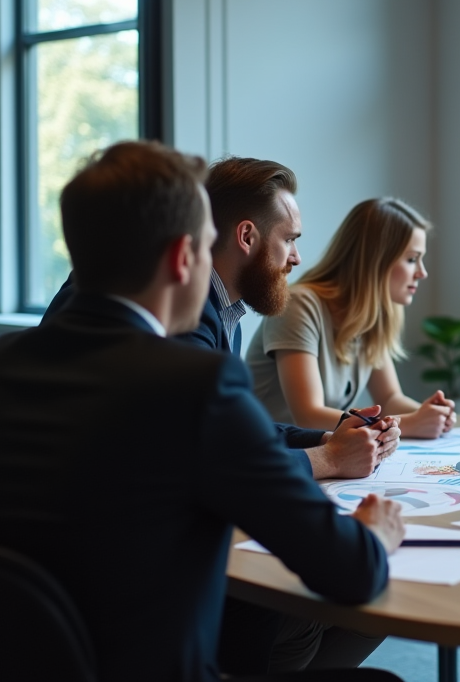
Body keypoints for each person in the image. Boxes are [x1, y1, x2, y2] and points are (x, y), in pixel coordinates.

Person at [0, 141, 413, 682]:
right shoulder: (194, 381)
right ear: (182, 257)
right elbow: (350, 572)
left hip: (22, 677)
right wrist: (376, 534)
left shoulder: (3, 362)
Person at [43, 156, 397, 482]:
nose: (297, 258)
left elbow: (230, 427)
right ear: (244, 237)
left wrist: (330, 438)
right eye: (289, 240)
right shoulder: (182, 320)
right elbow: (217, 459)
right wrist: (331, 458)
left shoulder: (225, 310)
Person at [247, 198, 457, 438]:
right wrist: (410, 424)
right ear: (375, 261)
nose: (422, 272)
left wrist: (429, 415)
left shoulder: (371, 318)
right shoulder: (299, 305)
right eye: (411, 259)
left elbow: (389, 398)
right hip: (268, 453)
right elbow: (308, 415)